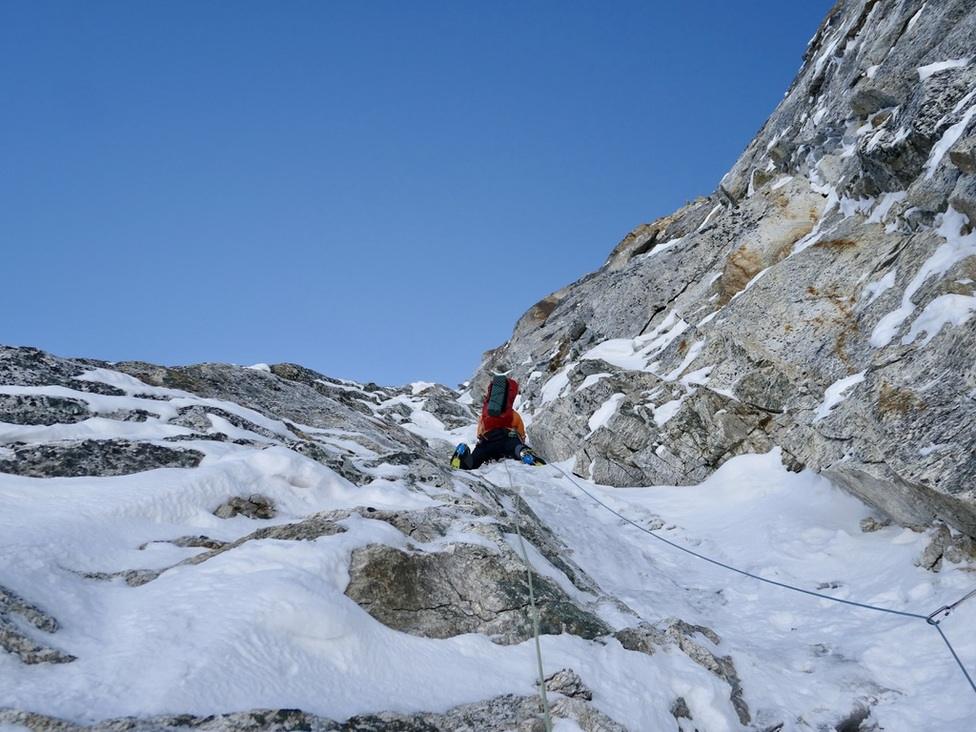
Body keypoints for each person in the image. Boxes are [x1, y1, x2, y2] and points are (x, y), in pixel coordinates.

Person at [451, 374, 543, 469]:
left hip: (487, 440)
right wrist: (520, 443)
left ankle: (462, 454)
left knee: (474, 461)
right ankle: (524, 453)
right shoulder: (513, 414)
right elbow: (521, 433)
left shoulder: (485, 415)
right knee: (516, 447)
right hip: (508, 437)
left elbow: (479, 434)